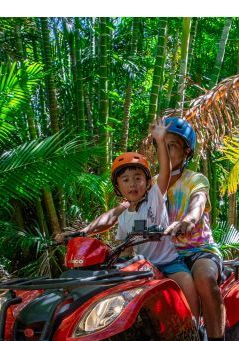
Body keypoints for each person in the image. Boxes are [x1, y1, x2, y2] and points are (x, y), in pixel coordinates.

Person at [56, 125, 199, 316]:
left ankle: (196, 331)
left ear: (148, 182)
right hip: (141, 268)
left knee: (187, 286)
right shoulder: (123, 214)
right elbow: (125, 246)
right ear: (118, 186)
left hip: (169, 263)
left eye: (138, 178)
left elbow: (165, 171)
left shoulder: (155, 198)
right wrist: (85, 236)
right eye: (125, 180)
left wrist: (159, 139)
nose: (132, 183)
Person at [160, 117, 237, 341]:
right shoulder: (153, 184)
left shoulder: (196, 179)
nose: (167, 153)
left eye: (172, 146)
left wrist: (188, 220)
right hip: (166, 255)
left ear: (186, 152)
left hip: (199, 250)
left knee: (204, 279)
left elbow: (197, 204)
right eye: (162, 146)